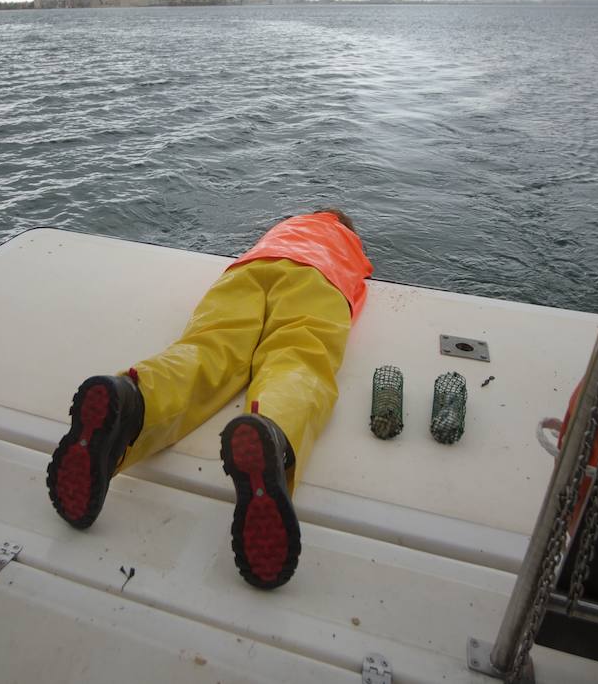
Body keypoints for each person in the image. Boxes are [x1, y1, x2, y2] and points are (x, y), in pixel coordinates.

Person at [46, 209, 373, 589]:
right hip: (320, 280)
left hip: (247, 272)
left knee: (208, 349)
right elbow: (359, 287)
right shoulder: (349, 245)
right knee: (298, 358)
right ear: (346, 228)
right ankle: (275, 430)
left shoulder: (282, 230)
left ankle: (136, 399)